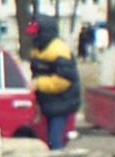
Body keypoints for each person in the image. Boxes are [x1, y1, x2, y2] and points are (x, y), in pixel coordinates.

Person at [26, 14, 81, 149]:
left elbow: (63, 80)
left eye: (35, 33)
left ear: (44, 32)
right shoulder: (38, 49)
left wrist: (39, 84)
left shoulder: (59, 51)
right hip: (49, 101)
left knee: (54, 140)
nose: (32, 36)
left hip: (62, 102)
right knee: (46, 138)